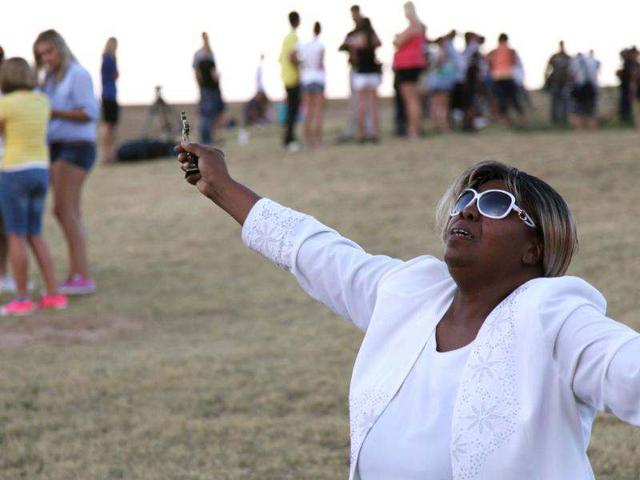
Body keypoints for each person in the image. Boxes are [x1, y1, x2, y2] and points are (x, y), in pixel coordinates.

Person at [177, 142, 640, 479]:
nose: (468, 212)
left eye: (495, 203)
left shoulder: (553, 316)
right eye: (465, 200)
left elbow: (627, 367)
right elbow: (314, 251)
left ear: (533, 248)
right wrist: (222, 187)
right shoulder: (413, 291)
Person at [0, 58, 68, 315]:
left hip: (13, 171)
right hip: (40, 170)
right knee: (35, 233)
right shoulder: (42, 101)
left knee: (15, 234)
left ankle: (21, 299)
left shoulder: (4, 104)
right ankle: (54, 294)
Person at [34, 29, 99, 295]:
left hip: (77, 147)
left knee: (63, 210)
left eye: (49, 51)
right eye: (41, 54)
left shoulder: (77, 74)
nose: (46, 58)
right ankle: (77, 271)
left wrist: (52, 112)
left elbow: (89, 112)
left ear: (60, 48)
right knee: (70, 211)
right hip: (58, 147)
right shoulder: (49, 78)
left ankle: (81, 275)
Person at [392, 1, 426, 140]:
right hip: (413, 66)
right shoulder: (418, 27)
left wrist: (397, 37)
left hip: (407, 67)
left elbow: (398, 42)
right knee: (413, 99)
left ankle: (413, 131)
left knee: (410, 99)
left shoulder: (414, 27)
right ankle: (413, 130)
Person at [339, 5, 373, 141]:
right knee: (356, 103)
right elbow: (342, 47)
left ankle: (367, 130)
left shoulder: (368, 32)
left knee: (366, 103)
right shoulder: (352, 34)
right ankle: (357, 130)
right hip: (357, 69)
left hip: (365, 70)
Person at [348, 17, 382, 142]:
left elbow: (353, 54)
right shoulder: (372, 37)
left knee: (361, 105)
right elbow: (379, 43)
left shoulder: (357, 38)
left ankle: (361, 133)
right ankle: (375, 133)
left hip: (361, 73)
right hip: (372, 73)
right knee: (373, 106)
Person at [193, 32, 225, 145]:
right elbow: (196, 72)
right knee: (207, 113)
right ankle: (205, 139)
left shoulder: (211, 53)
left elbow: (213, 70)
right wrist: (201, 86)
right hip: (206, 89)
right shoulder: (199, 54)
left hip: (214, 87)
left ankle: (212, 137)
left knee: (217, 112)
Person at [487, 33, 525, 125]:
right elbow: (515, 63)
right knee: (513, 98)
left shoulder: (493, 52)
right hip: (508, 76)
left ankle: (504, 119)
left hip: (497, 77)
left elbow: (489, 63)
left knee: (501, 99)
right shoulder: (511, 51)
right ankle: (521, 118)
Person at [298, 22, 325, 148]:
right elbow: (321, 62)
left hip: (307, 78)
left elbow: (291, 55)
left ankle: (306, 139)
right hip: (318, 78)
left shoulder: (303, 44)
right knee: (318, 111)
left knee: (307, 110)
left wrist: (301, 64)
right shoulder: (320, 44)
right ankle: (318, 140)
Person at [279, 11, 301, 151]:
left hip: (286, 77)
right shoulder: (294, 37)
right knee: (293, 110)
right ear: (298, 21)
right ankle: (290, 139)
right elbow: (291, 56)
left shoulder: (286, 38)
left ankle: (288, 138)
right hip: (293, 78)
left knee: (290, 110)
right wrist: (300, 64)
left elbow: (280, 58)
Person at [100, 36, 119, 164]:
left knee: (110, 126)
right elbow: (114, 75)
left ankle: (109, 154)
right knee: (108, 126)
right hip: (109, 95)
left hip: (108, 94)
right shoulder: (109, 59)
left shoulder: (106, 59)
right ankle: (107, 155)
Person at [569, 51, 599, 131]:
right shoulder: (592, 61)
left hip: (579, 88)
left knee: (577, 109)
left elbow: (572, 75)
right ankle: (592, 128)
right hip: (591, 88)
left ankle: (578, 128)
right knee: (590, 110)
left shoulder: (574, 61)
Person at [544, 41, 571, 125]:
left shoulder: (568, 57)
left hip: (565, 83)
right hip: (555, 82)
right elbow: (547, 68)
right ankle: (555, 120)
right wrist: (546, 80)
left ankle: (564, 120)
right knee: (554, 102)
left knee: (565, 102)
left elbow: (572, 70)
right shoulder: (554, 57)